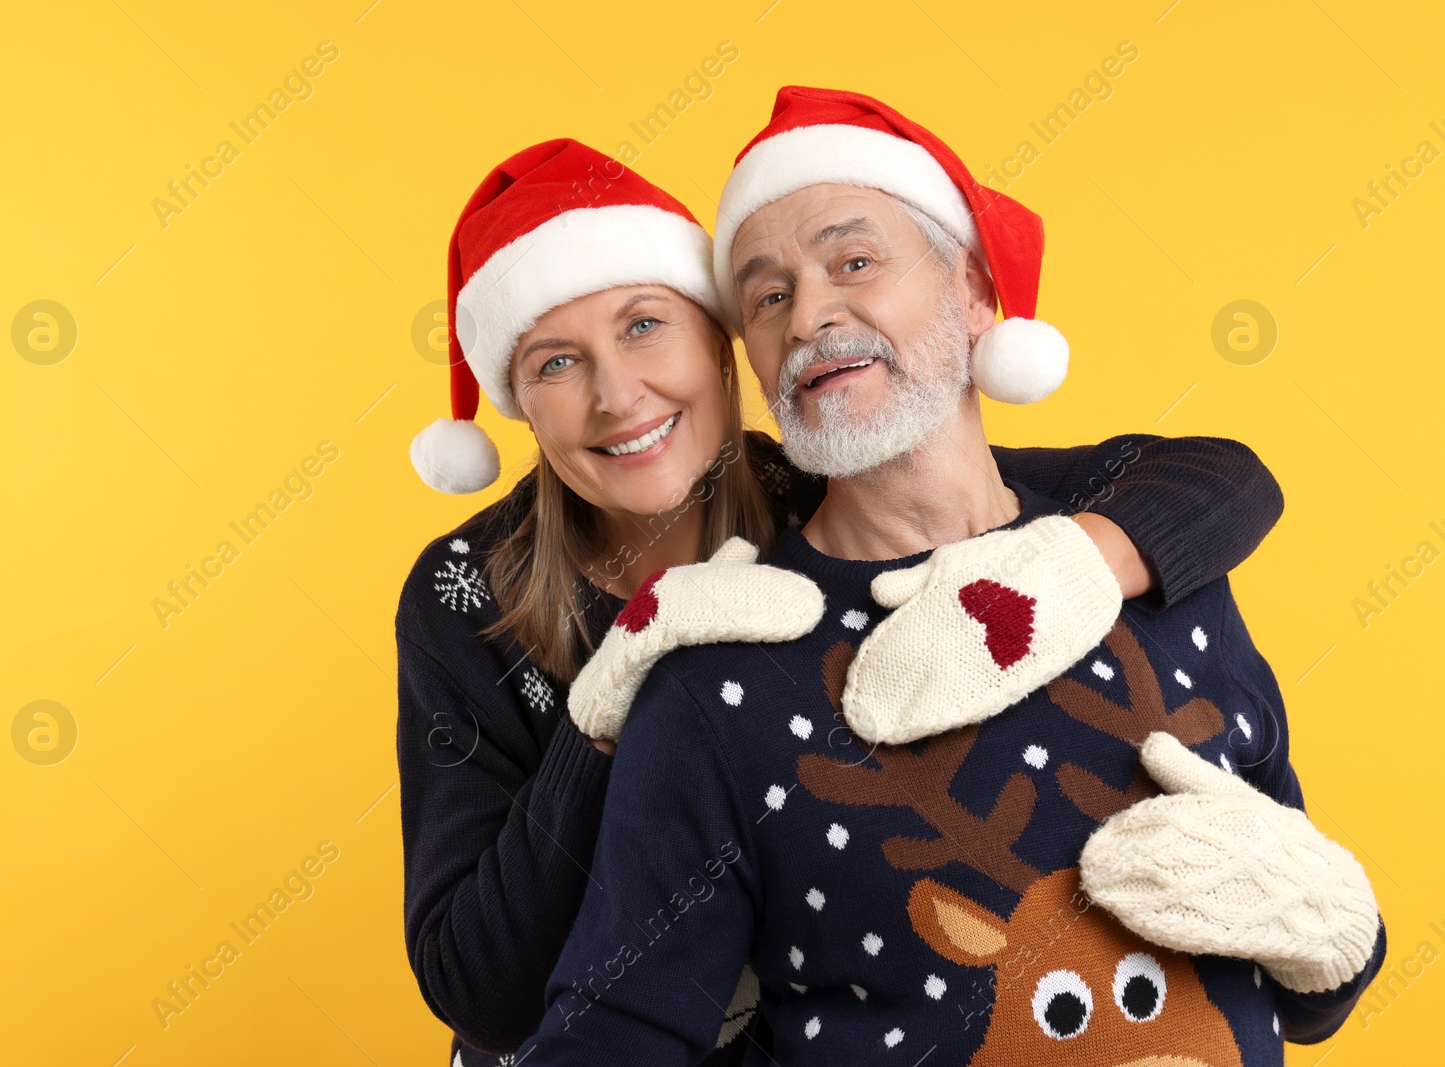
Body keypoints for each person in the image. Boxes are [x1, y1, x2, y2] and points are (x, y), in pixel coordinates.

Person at [511, 88, 1384, 1065]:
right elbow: (611, 1035)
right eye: (766, 295)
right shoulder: (715, 680)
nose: (810, 314)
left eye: (853, 261)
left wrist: (1340, 934)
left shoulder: (1156, 576)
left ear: (972, 290)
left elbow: (1305, 990)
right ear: (750, 358)